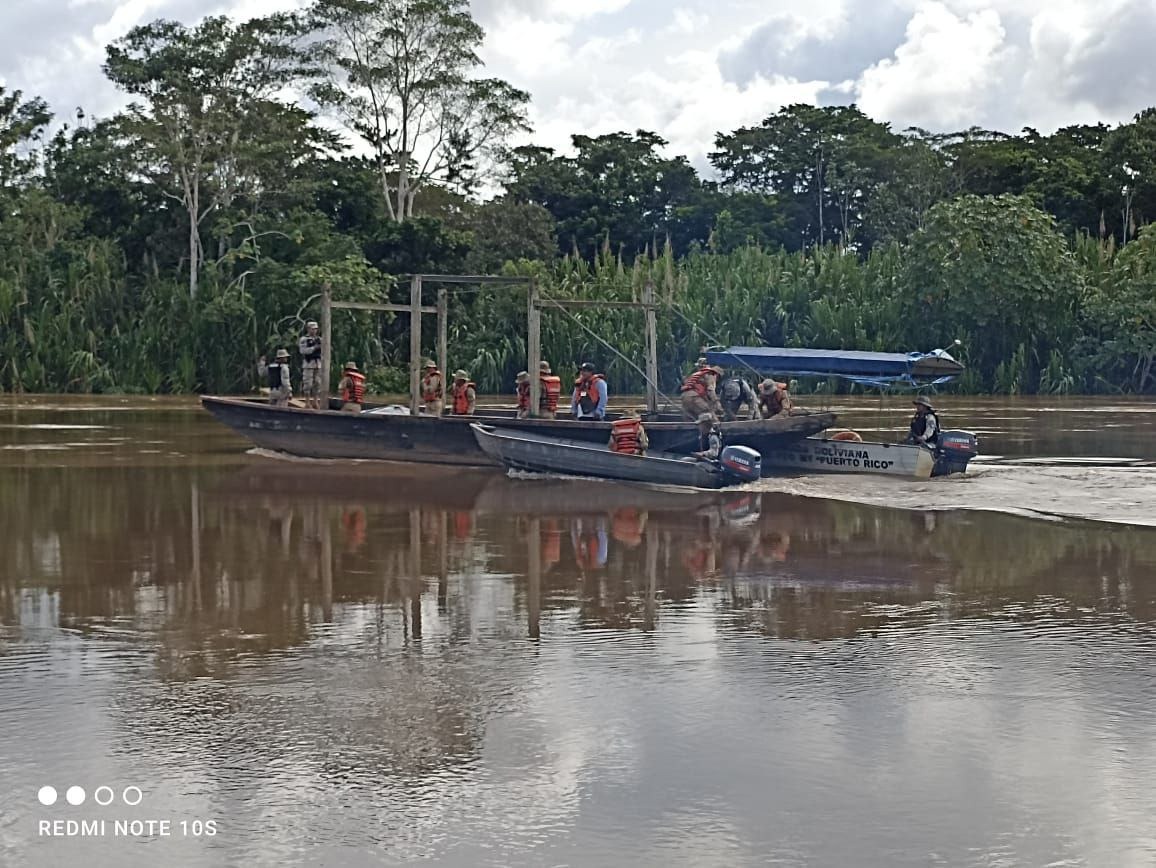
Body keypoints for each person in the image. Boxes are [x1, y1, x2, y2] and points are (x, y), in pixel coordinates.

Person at [298, 321, 323, 409]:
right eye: (312, 329)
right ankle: (307, 402)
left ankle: (315, 401)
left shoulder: (320, 339)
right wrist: (314, 348)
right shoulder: (304, 339)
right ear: (308, 329)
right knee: (308, 383)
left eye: (315, 329)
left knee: (317, 383)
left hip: (318, 363)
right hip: (308, 364)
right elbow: (303, 351)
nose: (314, 331)